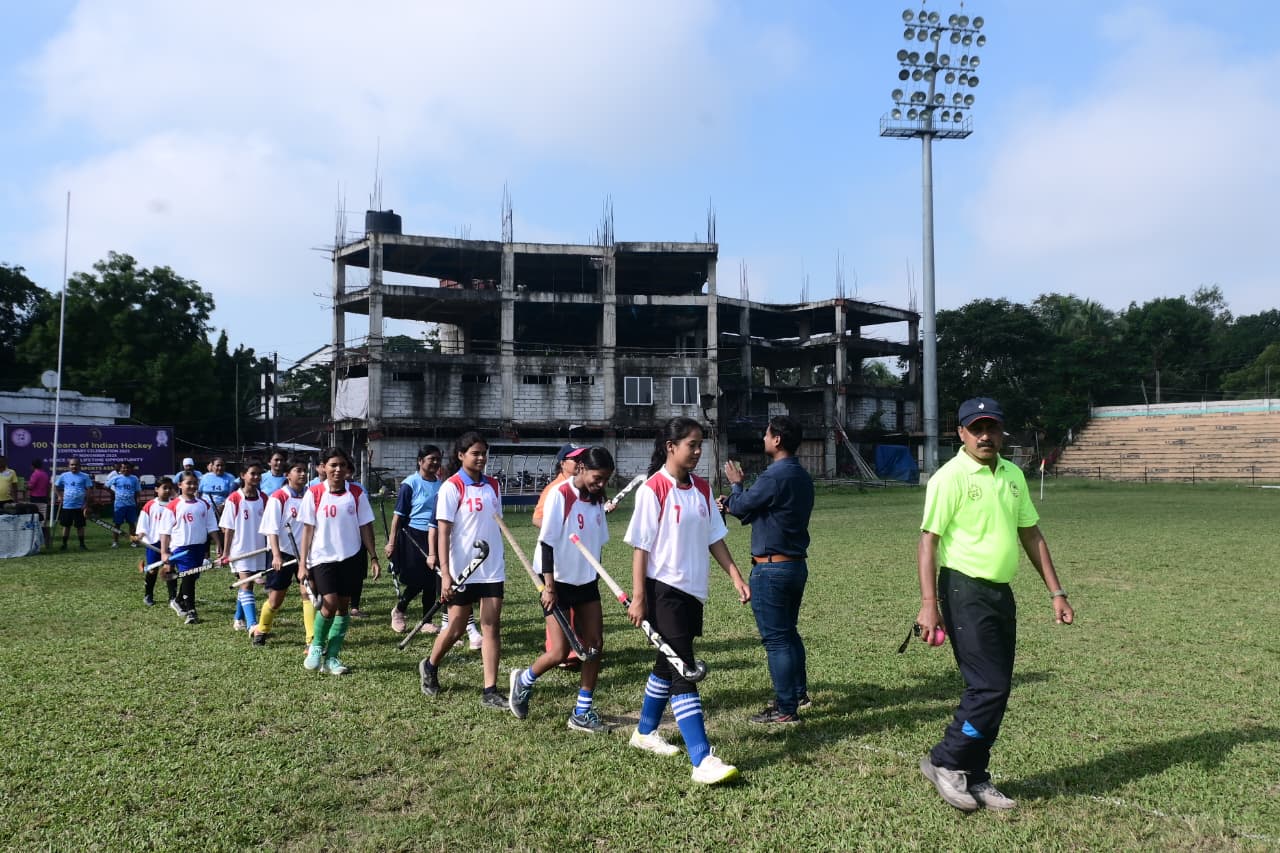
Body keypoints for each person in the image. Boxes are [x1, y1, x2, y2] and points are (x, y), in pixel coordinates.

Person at [916, 397, 1075, 813]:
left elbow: (1031, 534)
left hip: (1001, 592)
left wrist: (1056, 592)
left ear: (1002, 432)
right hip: (963, 590)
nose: (985, 436)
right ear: (962, 433)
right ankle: (946, 760)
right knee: (987, 687)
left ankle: (975, 773)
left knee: (998, 689)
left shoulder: (1013, 475)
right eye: (977, 429)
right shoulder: (949, 478)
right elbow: (928, 542)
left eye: (992, 428)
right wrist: (929, 603)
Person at [623, 417, 750, 785]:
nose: (697, 452)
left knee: (667, 663)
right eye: (691, 445)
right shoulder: (653, 489)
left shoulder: (702, 488)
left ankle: (644, 732)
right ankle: (702, 758)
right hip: (663, 591)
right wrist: (639, 598)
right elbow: (640, 548)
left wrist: (736, 576)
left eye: (699, 445)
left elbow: (714, 537)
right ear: (671, 446)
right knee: (683, 668)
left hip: (694, 591)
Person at [509, 446, 614, 733]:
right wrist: (549, 587)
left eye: (606, 479)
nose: (601, 484)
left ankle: (582, 711)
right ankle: (523, 680)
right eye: (597, 477)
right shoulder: (560, 494)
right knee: (559, 651)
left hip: (586, 581)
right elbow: (547, 543)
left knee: (595, 645)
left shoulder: (597, 501)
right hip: (557, 581)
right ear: (581, 468)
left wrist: (595, 577)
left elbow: (597, 544)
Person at [719, 415, 815, 724]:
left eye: (766, 434)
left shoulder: (773, 476)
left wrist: (736, 486)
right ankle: (798, 694)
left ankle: (785, 708)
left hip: (771, 569)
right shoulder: (801, 476)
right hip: (795, 566)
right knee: (788, 633)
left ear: (777, 440)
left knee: (776, 640)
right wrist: (734, 502)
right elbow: (762, 510)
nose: (763, 438)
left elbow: (742, 506)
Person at [418, 431, 508, 708]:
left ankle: (490, 690)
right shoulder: (452, 486)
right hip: (462, 569)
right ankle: (430, 665)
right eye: (475, 453)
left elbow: (496, 525)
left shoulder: (493, 485)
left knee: (491, 627)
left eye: (483, 453)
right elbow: (443, 533)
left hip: (491, 567)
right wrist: (446, 574)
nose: (481, 458)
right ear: (461, 455)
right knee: (456, 628)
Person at [298, 447, 381, 675]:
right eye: (333, 465)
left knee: (343, 607)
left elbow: (366, 526)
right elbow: (307, 531)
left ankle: (332, 657)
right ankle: (316, 646)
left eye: (342, 465)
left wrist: (373, 556)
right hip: (322, 558)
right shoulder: (314, 493)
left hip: (351, 557)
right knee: (329, 603)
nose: (337, 469)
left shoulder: (357, 493)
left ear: (347, 468)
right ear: (323, 467)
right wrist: (302, 563)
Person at [251, 457, 316, 648]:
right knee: (275, 599)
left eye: (304, 470)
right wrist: (276, 555)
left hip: (305, 554)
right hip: (284, 553)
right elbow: (271, 529)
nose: (303, 474)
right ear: (288, 475)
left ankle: (311, 640)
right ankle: (261, 629)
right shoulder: (279, 497)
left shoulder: (311, 495)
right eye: (298, 470)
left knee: (308, 593)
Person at [532, 443, 585, 665]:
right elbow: (537, 518)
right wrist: (561, 529)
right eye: (575, 459)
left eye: (582, 459)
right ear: (563, 463)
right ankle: (557, 650)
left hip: (573, 559)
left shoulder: (581, 488)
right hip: (552, 559)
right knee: (556, 606)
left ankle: (574, 647)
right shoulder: (555, 488)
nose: (580, 463)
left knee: (575, 607)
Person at [386, 445, 443, 635]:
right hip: (413, 535)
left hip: (435, 535)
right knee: (418, 579)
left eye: (438, 459)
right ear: (420, 461)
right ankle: (399, 609)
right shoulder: (410, 484)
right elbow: (398, 517)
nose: (435, 462)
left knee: (432, 579)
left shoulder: (441, 485)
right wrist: (391, 543)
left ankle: (427, 620)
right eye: (431, 458)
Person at [160, 472, 220, 624]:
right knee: (188, 577)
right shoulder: (173, 506)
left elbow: (212, 526)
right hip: (181, 548)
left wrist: (218, 544)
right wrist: (164, 552)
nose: (192, 486)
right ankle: (191, 611)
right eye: (188, 483)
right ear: (180, 485)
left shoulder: (204, 504)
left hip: (199, 547)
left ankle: (178, 600)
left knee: (192, 577)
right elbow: (165, 532)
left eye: (195, 483)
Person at [220, 460, 267, 633]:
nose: (256, 477)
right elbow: (228, 528)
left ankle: (238, 617)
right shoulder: (234, 499)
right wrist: (226, 553)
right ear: (243, 475)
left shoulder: (264, 498)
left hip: (259, 549)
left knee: (247, 585)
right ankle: (252, 625)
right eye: (252, 473)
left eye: (259, 474)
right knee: (246, 584)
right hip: (239, 550)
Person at [133, 477, 176, 607]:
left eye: (170, 488)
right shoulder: (150, 505)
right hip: (153, 543)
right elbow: (143, 525)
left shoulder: (175, 504)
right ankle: (148, 595)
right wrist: (140, 536)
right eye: (164, 487)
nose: (167, 490)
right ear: (156, 489)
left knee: (169, 569)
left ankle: (173, 597)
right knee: (152, 570)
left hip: (170, 543)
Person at [54, 456, 95, 551]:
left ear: (80, 466)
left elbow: (89, 491)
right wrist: (59, 496)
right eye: (72, 465)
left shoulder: (85, 476)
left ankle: (82, 545)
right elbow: (55, 486)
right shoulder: (64, 475)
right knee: (66, 526)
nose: (74, 466)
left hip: (80, 506)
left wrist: (86, 504)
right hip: (67, 506)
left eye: (76, 465)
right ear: (69, 466)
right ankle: (64, 544)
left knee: (80, 526)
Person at [105, 461, 143, 548]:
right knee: (117, 524)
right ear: (120, 469)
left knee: (132, 524)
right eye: (123, 468)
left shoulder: (134, 478)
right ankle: (115, 542)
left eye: (128, 468)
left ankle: (134, 542)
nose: (126, 469)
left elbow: (137, 491)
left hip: (131, 505)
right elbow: (106, 486)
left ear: (131, 469)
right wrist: (113, 493)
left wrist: (138, 501)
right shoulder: (116, 478)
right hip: (119, 505)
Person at [27, 460, 51, 547]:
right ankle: (47, 541)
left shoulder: (35, 474)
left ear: (33, 466)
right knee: (43, 521)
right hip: (44, 499)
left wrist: (25, 486)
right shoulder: (45, 474)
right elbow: (48, 487)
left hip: (35, 499)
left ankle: (35, 541)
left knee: (34, 520)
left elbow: (31, 486)